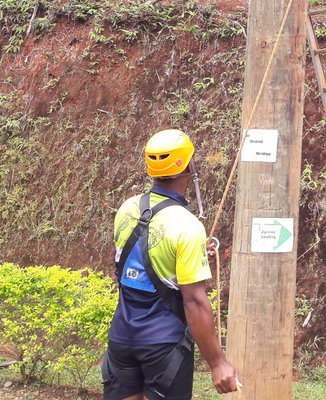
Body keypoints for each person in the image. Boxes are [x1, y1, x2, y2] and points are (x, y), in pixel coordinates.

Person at [103, 129, 240, 400]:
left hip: (121, 338)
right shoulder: (187, 225)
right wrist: (218, 363)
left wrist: (195, 256)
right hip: (163, 345)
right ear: (189, 166)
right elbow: (194, 301)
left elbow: (136, 263)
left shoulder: (127, 208)